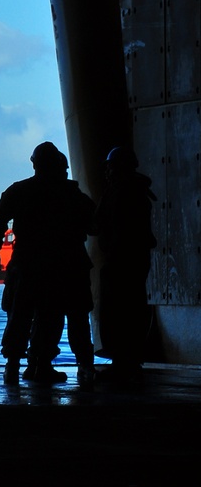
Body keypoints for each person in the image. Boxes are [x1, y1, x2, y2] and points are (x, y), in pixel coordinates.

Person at [0, 142, 92, 385]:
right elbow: (94, 225)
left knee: (19, 315)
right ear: (59, 166)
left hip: (26, 263)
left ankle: (13, 366)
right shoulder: (72, 194)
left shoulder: (18, 191)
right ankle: (48, 365)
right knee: (56, 316)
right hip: (66, 264)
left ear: (35, 164)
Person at [95, 146, 156, 383]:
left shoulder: (118, 192)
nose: (107, 172)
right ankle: (129, 360)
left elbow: (100, 223)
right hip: (134, 260)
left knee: (117, 311)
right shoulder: (138, 192)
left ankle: (122, 361)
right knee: (133, 308)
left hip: (120, 261)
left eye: (110, 167)